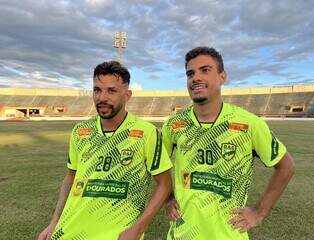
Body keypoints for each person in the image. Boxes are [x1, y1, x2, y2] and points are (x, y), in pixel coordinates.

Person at [162, 47, 295, 240]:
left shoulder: (248, 123)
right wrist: (168, 198)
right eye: (190, 73)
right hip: (182, 234)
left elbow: (286, 166)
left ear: (222, 77)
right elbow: (160, 167)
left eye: (205, 70)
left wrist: (259, 212)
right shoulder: (174, 125)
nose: (196, 78)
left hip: (229, 234)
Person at [38, 61, 173, 240]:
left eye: (112, 90)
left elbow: (165, 184)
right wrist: (54, 221)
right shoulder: (80, 131)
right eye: (97, 90)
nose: (102, 97)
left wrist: (138, 229)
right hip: (68, 231)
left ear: (127, 95)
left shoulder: (146, 133)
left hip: (116, 235)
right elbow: (70, 178)